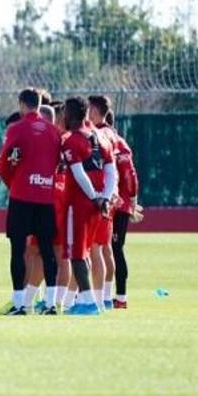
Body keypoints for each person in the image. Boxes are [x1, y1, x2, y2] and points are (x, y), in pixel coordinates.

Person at [0, 88, 62, 315]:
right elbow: (57, 161)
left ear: (22, 104)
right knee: (47, 249)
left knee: (17, 249)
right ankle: (51, 303)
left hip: (22, 195)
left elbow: (5, 161)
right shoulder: (54, 131)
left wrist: (12, 183)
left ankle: (19, 304)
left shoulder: (17, 128)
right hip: (45, 196)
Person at [61, 97, 116, 315]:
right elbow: (112, 171)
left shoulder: (71, 140)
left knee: (77, 252)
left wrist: (94, 197)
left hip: (80, 203)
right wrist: (105, 196)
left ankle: (88, 302)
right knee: (90, 251)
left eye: (65, 112)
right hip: (100, 204)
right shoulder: (102, 137)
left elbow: (78, 174)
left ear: (70, 114)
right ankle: (92, 301)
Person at [87, 95, 121, 309]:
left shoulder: (102, 133)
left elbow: (113, 167)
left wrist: (112, 192)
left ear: (95, 110)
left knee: (96, 248)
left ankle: (100, 298)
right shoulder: (110, 133)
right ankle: (105, 298)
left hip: (101, 196)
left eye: (89, 108)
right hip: (107, 195)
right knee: (103, 247)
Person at [107, 111, 139, 309]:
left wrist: (132, 200)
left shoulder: (117, 143)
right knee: (106, 249)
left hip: (117, 206)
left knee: (115, 249)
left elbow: (130, 174)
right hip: (111, 204)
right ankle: (105, 295)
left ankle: (120, 297)